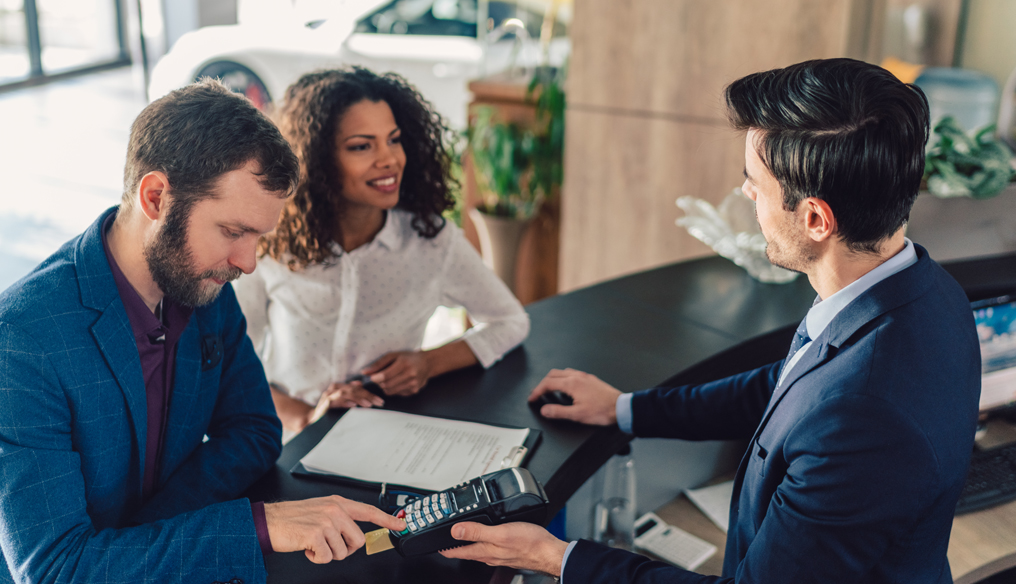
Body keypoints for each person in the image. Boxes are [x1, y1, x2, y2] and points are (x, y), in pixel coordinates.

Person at [442, 58, 982, 583]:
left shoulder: (865, 414)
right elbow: (791, 387)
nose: (747, 193)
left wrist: (559, 559)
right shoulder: (924, 292)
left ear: (816, 219)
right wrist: (626, 410)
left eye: (755, 182)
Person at [0, 80, 404, 584]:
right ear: (155, 198)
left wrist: (148, 535)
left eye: (258, 237)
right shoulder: (22, 339)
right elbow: (58, 569)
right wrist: (253, 525)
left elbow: (256, 430)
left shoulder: (205, 282)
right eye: (234, 232)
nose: (248, 263)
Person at [233, 67, 530, 434]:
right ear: (316, 159)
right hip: (287, 439)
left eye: (394, 140)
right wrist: (305, 417)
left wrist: (427, 363)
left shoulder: (431, 240)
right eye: (362, 146)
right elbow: (232, 366)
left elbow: (510, 322)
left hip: (384, 438)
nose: (389, 159)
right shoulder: (270, 240)